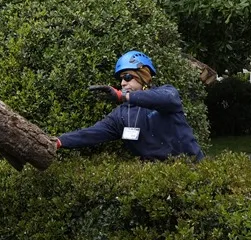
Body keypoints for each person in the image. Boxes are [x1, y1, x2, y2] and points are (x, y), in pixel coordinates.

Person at [55, 50, 203, 162]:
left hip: (191, 168)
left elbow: (167, 99)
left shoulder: (167, 93)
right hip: (158, 179)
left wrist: (123, 96)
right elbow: (91, 133)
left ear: (144, 75)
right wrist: (60, 141)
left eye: (127, 77)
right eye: (121, 79)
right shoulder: (120, 115)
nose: (122, 83)